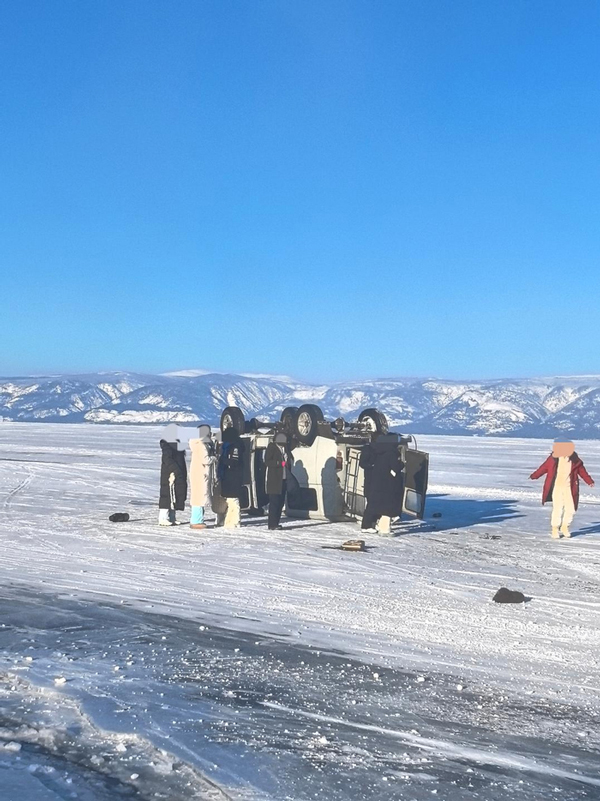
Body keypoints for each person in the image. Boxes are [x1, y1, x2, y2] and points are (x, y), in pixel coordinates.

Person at [530, 438, 595, 538]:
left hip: (570, 488)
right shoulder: (553, 459)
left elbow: (582, 472)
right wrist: (534, 475)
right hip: (557, 487)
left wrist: (589, 481)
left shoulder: (575, 460)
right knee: (558, 508)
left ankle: (565, 527)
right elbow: (543, 468)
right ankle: (555, 529)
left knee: (571, 509)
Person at [360, 437, 404, 535]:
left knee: (374, 504)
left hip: (376, 482)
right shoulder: (391, 453)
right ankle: (376, 526)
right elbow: (395, 467)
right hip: (387, 484)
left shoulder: (379, 452)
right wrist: (402, 464)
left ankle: (370, 524)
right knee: (384, 506)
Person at [158, 425, 188, 526]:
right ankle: (163, 517)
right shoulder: (167, 444)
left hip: (178, 473)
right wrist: (175, 470)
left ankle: (172, 517)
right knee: (167, 494)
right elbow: (167, 459)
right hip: (170, 473)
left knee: (175, 494)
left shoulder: (178, 444)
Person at [188, 424, 216, 530]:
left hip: (198, 473)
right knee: (199, 497)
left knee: (198, 497)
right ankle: (197, 520)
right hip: (201, 474)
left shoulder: (196, 443)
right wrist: (214, 458)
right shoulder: (201, 445)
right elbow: (205, 460)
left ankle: (198, 519)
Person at [217, 427, 245, 528]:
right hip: (227, 475)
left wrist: (222, 460)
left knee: (233, 499)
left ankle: (235, 521)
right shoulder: (227, 446)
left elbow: (234, 462)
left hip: (233, 476)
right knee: (229, 499)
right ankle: (229, 520)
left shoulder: (235, 446)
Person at [265, 432, 291, 530]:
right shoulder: (272, 447)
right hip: (274, 480)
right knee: (274, 502)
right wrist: (280, 463)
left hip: (283, 479)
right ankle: (272, 524)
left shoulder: (284, 449)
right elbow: (267, 461)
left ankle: (276, 522)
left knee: (280, 502)